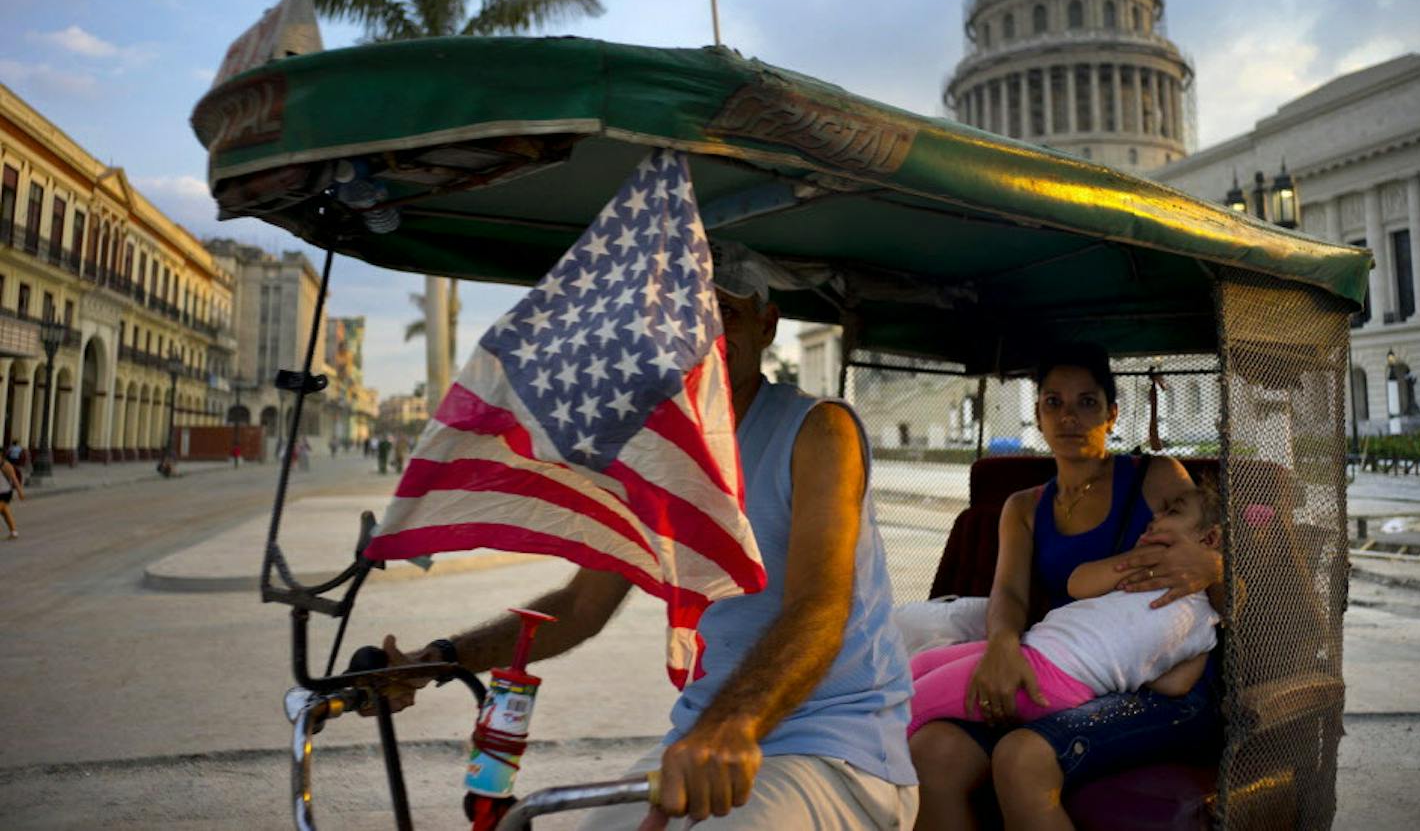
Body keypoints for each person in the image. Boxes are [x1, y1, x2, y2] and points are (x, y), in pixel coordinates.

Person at [371, 254, 918, 829]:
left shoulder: (818, 431)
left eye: (725, 313)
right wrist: (437, 660)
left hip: (833, 747)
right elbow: (581, 607)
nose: (704, 335)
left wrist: (729, 727)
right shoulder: (664, 455)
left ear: (767, 325)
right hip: (701, 742)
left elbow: (820, 607)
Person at [909, 343, 1224, 831]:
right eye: (1053, 402)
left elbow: (1220, 542)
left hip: (1158, 686)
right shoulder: (1024, 507)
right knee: (932, 751)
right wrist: (1002, 645)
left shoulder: (1155, 478)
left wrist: (1215, 566)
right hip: (1060, 667)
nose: (1069, 417)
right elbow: (1009, 596)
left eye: (1087, 402)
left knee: (1021, 757)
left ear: (1112, 413)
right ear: (1037, 415)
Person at [908, 471, 1221, 734]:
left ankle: (871, 778)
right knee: (916, 667)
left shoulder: (1198, 615)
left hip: (1050, 674)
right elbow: (1175, 683)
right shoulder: (1197, 620)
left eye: (1173, 513)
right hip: (1034, 651)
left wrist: (1116, 669)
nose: (1156, 516)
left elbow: (1078, 583)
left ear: (1209, 540)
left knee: (911, 704)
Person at [1, 453, 24, 539]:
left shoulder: (6, 465)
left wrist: (20, 492)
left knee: (5, 512)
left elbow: (14, 479)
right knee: (5, 513)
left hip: (5, 493)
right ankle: (14, 532)